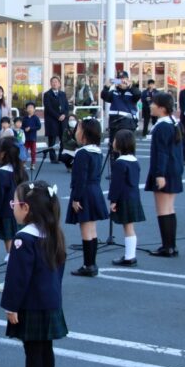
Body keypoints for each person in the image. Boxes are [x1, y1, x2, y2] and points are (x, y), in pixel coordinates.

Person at [1, 181, 68, 367]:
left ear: (26, 208)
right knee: (46, 350)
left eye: (15, 203)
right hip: (51, 301)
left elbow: (17, 279)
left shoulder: (23, 239)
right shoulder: (53, 233)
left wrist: (11, 307)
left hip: (31, 304)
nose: (12, 207)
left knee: (33, 352)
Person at [66, 117, 108, 277]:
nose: (76, 131)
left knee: (85, 230)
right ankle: (91, 263)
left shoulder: (83, 153)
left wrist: (76, 198)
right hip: (95, 191)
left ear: (85, 133)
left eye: (78, 129)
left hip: (84, 193)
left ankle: (88, 265)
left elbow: (80, 178)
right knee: (92, 229)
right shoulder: (97, 151)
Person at [145, 93, 184, 258]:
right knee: (169, 208)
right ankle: (170, 245)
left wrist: (159, 174)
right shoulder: (174, 124)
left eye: (153, 103)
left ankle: (167, 246)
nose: (150, 106)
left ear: (161, 108)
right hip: (174, 170)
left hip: (164, 171)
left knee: (162, 209)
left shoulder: (162, 126)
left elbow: (161, 153)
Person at [0, 137, 29, 286]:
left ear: (3, 154)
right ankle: (20, 279)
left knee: (11, 251)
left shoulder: (0, 174)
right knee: (20, 249)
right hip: (22, 215)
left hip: (6, 216)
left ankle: (12, 282)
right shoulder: (21, 171)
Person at [108, 129, 146, 266]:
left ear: (120, 144)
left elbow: (116, 185)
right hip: (134, 196)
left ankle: (130, 256)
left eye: (114, 140)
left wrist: (113, 201)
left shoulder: (120, 163)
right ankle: (130, 255)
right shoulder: (134, 161)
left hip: (124, 198)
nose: (113, 142)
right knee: (130, 227)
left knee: (128, 227)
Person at [101, 70, 141, 164]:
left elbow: (138, 94)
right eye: (119, 80)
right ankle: (115, 170)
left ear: (128, 80)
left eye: (123, 79)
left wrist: (129, 86)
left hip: (127, 125)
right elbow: (104, 96)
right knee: (114, 149)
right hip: (115, 124)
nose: (121, 82)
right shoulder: (114, 93)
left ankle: (129, 169)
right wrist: (107, 86)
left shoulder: (132, 92)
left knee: (128, 149)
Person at [43, 77, 70, 163]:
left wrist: (64, 115)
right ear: (50, 84)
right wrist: (58, 116)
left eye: (56, 82)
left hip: (62, 120)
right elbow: (48, 108)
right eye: (53, 82)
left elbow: (66, 106)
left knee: (63, 139)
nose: (55, 83)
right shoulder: (47, 94)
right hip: (52, 120)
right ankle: (53, 157)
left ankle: (61, 156)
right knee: (52, 139)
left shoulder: (63, 94)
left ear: (59, 84)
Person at [21, 102, 42, 170]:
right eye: (28, 108)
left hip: (33, 138)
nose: (30, 109)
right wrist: (24, 129)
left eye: (31, 108)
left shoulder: (36, 118)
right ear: (26, 109)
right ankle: (23, 163)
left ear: (34, 109)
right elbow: (22, 127)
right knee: (24, 151)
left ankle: (33, 164)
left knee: (33, 152)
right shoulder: (24, 118)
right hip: (25, 138)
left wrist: (31, 128)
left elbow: (39, 126)